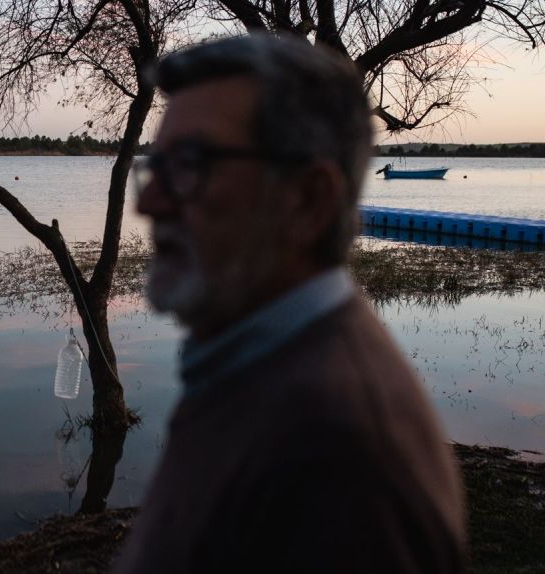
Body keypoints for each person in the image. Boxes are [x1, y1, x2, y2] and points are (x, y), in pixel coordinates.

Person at [115, 34, 465, 573]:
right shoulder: (253, 363)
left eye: (190, 163)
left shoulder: (340, 455)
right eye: (155, 165)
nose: (148, 201)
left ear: (308, 200)